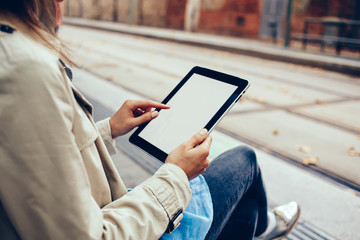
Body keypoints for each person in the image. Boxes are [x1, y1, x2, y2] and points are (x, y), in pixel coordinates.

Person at [0, 1, 300, 239]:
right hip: (122, 223)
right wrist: (176, 174)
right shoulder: (25, 68)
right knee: (244, 162)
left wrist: (107, 130)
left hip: (107, 210)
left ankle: (262, 227)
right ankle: (266, 227)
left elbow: (35, 154)